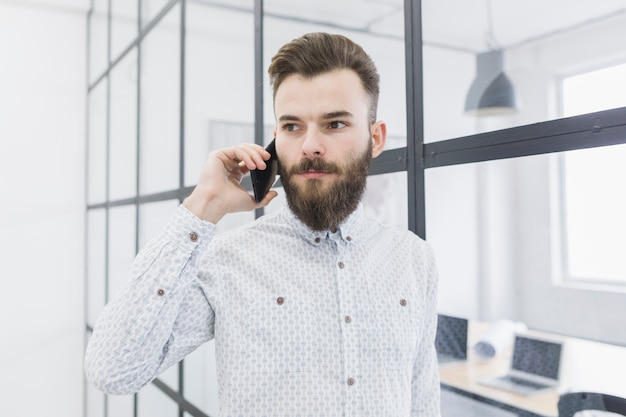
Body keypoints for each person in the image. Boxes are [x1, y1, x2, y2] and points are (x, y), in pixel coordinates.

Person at [85, 32, 441, 417]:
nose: (310, 146)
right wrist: (202, 205)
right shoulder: (227, 260)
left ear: (375, 138)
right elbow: (113, 372)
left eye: (335, 124)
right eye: (292, 127)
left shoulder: (414, 259)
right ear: (275, 140)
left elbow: (423, 401)